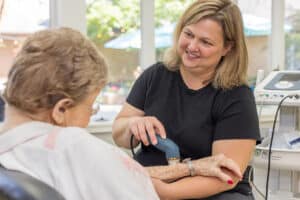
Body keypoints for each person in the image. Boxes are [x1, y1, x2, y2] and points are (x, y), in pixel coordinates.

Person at [0, 27, 243, 200]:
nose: (88, 118)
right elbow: (126, 178)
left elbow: (123, 173)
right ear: (61, 109)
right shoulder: (74, 146)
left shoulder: (18, 150)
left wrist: (193, 168)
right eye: (90, 107)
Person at [112, 0, 261, 199]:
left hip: (212, 193)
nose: (192, 46)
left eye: (205, 42)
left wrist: (164, 190)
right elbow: (119, 135)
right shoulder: (155, 76)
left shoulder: (236, 96)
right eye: (188, 34)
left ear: (228, 48)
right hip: (150, 184)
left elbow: (227, 174)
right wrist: (133, 124)